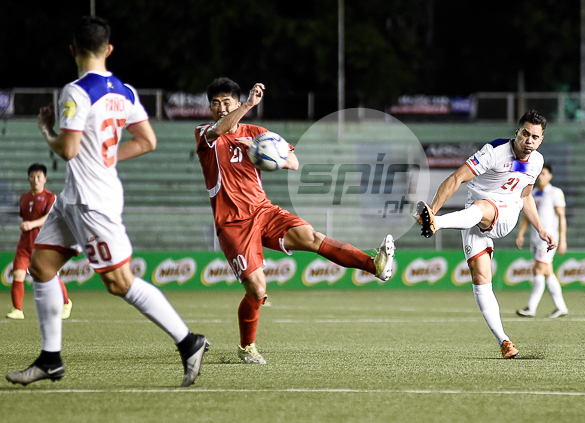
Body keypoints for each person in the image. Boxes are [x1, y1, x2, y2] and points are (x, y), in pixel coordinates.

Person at [6, 16, 208, 388]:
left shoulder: (76, 91)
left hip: (93, 203)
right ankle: (51, 359)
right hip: (74, 199)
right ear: (108, 49)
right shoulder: (125, 90)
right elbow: (147, 140)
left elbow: (67, 150)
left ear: (73, 50)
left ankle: (189, 341)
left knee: (119, 282)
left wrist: (47, 132)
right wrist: (106, 156)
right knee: (41, 266)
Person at [195, 77, 395, 364]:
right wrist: (250, 105)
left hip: (262, 211)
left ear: (235, 103)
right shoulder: (205, 134)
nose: (221, 108)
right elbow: (220, 129)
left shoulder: (256, 132)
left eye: (227, 102)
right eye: (215, 104)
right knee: (257, 289)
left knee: (310, 236)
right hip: (232, 222)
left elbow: (293, 161)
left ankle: (374, 265)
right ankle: (246, 347)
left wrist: (266, 155)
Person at [414, 110, 556, 359]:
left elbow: (524, 196)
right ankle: (505, 342)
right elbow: (456, 177)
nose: (529, 140)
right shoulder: (494, 152)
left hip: (506, 212)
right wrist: (432, 207)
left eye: (535, 136)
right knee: (481, 280)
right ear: (517, 132)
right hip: (475, 212)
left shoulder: (537, 162)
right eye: (525, 133)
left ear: (541, 139)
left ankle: (437, 223)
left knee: (481, 208)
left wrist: (541, 229)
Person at [6, 163, 72, 320]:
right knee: (18, 274)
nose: (35, 180)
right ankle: (18, 310)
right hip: (25, 244)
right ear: (28, 179)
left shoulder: (50, 197)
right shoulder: (24, 198)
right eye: (32, 177)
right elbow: (24, 216)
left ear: (45, 179)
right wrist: (26, 225)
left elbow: (49, 217)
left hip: (43, 244)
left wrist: (31, 224)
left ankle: (66, 303)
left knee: (50, 276)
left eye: (38, 177)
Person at [515, 164, 569, 318]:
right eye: (539, 174)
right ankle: (561, 308)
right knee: (547, 272)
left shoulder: (555, 192)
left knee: (538, 270)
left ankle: (531, 308)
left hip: (548, 239)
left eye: (544, 174)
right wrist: (521, 234)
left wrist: (563, 240)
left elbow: (561, 217)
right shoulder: (532, 194)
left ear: (550, 176)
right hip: (535, 239)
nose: (541, 177)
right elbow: (527, 215)